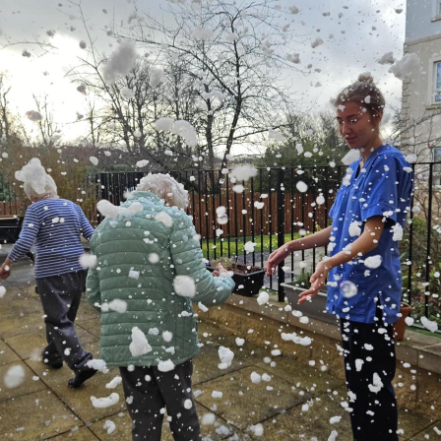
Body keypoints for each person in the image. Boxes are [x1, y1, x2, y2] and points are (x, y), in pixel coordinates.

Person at [267, 73, 414, 441]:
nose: (345, 128)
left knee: (374, 395)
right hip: (353, 299)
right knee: (359, 392)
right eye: (340, 120)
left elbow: (372, 235)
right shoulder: (355, 168)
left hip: (373, 302)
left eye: (353, 119)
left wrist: (329, 262)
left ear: (376, 116)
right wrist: (291, 246)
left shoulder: (387, 162)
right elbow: (339, 230)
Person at [86, 173, 235, 441]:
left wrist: (128, 317)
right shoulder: (173, 220)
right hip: (169, 342)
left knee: (143, 417)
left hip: (127, 344)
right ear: (169, 200)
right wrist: (225, 279)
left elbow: (95, 295)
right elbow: (201, 288)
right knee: (182, 413)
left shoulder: (104, 228)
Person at [0, 158, 97, 389]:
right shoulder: (73, 206)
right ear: (53, 189)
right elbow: (92, 235)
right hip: (78, 271)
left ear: (32, 195)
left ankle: (81, 362)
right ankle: (53, 355)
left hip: (51, 274)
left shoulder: (36, 208)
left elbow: (24, 241)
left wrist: (7, 262)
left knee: (57, 320)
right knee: (64, 319)